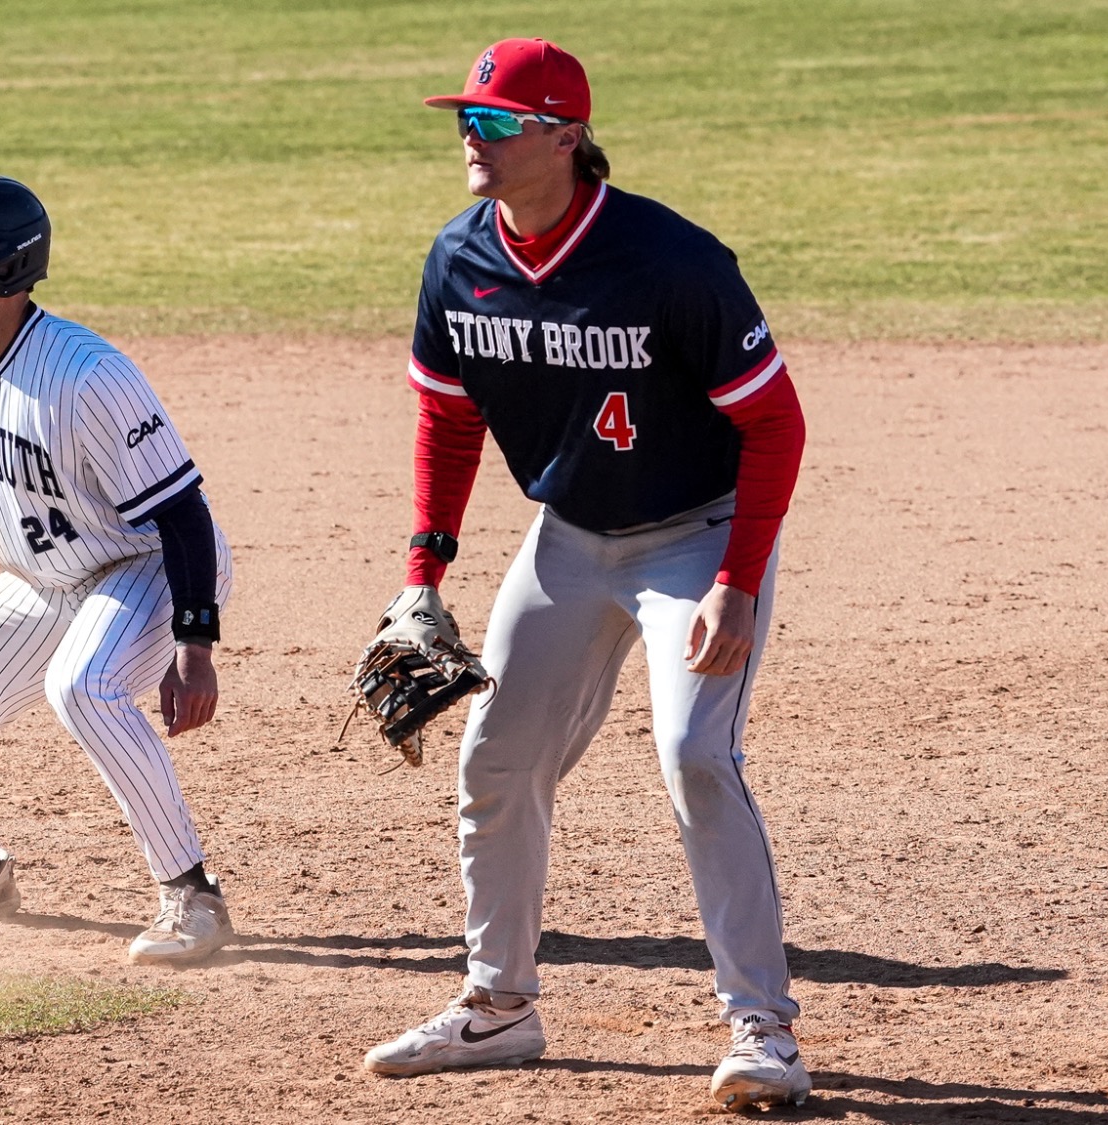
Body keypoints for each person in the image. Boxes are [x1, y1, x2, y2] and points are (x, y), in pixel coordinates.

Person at [358, 40, 812, 1111]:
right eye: (468, 117)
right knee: (493, 758)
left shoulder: (670, 262)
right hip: (567, 538)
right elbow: (447, 415)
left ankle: (762, 1031)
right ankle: (497, 1007)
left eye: (500, 120)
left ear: (565, 136)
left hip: (696, 541)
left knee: (696, 752)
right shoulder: (457, 257)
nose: (474, 135)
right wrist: (423, 571)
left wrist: (737, 580)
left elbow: (774, 423)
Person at [0, 173, 235, 966]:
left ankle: (191, 896)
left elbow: (182, 513)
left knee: (82, 686)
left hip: (148, 565)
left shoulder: (85, 373)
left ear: (7, 266)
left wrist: (194, 643)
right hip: (44, 579)